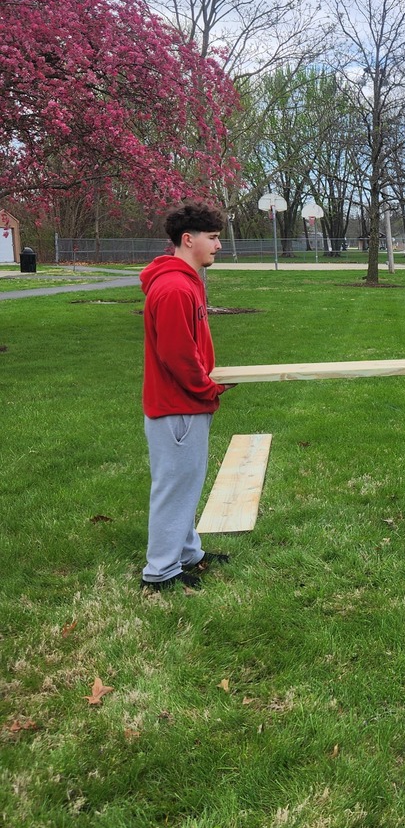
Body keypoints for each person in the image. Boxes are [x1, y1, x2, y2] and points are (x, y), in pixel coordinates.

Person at [140, 201, 233, 591]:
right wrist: (207, 387)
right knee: (175, 487)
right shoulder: (175, 287)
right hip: (177, 406)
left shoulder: (186, 280)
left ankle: (187, 552)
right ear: (188, 239)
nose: (218, 245)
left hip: (185, 403)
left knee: (187, 482)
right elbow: (177, 355)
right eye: (213, 238)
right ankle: (160, 571)